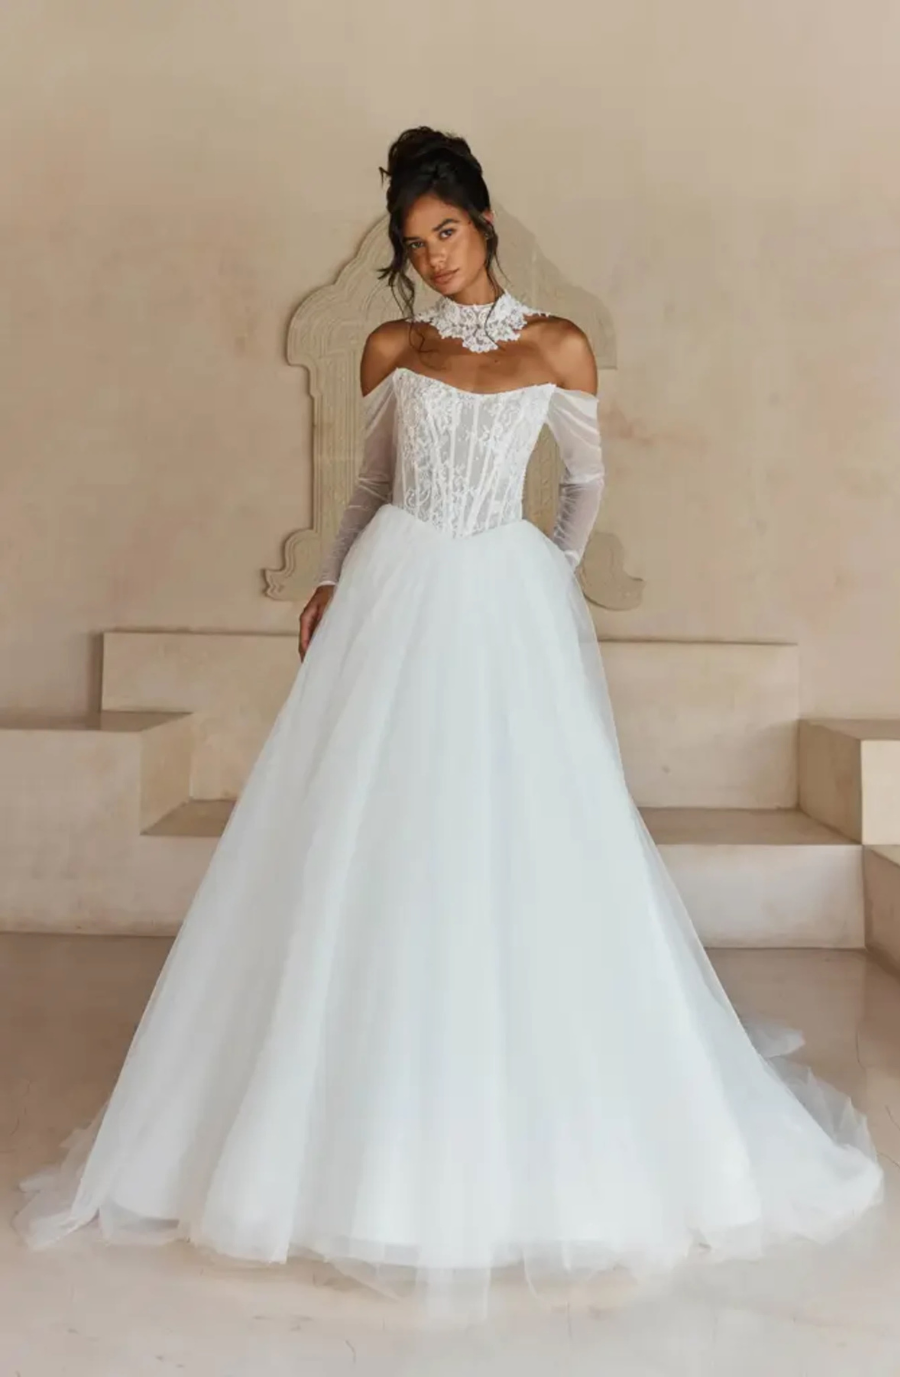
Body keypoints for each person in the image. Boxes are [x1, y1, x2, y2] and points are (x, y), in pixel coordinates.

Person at [15, 126, 883, 1325]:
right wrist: (326, 579)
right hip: (398, 594)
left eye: (449, 236)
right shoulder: (397, 346)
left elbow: (583, 486)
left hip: (502, 603)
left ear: (485, 224)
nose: (436, 263)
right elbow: (369, 487)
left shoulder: (556, 345)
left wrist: (543, 579)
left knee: (523, 842)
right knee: (374, 840)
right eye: (416, 247)